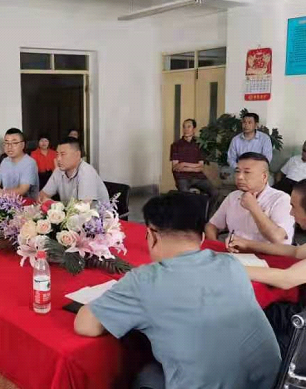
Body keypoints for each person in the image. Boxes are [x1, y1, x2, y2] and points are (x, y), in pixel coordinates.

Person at [74, 192, 281, 389]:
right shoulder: (231, 263)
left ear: (151, 236)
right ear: (202, 237)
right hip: (271, 382)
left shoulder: (146, 280)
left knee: (145, 375)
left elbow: (85, 326)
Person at [227, 179, 306, 357]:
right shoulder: (232, 198)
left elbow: (286, 279)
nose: (291, 213)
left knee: (246, 315)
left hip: (301, 322)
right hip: (299, 307)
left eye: (294, 207)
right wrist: (249, 244)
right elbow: (295, 252)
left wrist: (229, 266)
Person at [206, 152, 295, 244]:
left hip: (263, 252)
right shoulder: (233, 196)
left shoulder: (281, 199)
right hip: (232, 250)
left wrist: (254, 208)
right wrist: (215, 245)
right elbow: (212, 225)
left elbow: (278, 239)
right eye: (237, 171)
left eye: (247, 172)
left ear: (264, 177)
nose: (240, 177)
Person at [38, 137, 108, 205]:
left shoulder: (86, 171)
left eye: (63, 154)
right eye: (57, 154)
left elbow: (84, 207)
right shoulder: (58, 171)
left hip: (96, 212)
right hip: (69, 212)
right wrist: (45, 200)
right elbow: (41, 197)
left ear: (77, 155)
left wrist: (54, 204)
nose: (58, 159)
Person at [170, 119, 218, 211]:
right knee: (186, 196)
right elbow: (175, 167)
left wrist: (183, 164)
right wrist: (194, 167)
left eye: (189, 127)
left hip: (199, 177)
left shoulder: (200, 144)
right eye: (184, 127)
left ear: (194, 129)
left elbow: (201, 168)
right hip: (182, 177)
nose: (186, 129)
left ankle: (207, 214)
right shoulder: (176, 145)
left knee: (215, 193)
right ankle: (189, 216)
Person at [0, 128, 38, 199]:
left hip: (27, 203)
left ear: (22, 145)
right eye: (6, 143)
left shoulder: (30, 163)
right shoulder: (5, 161)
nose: (9, 147)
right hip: (7, 201)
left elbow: (22, 190)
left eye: (14, 143)